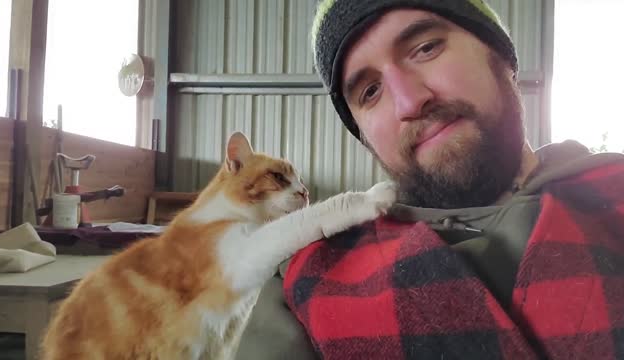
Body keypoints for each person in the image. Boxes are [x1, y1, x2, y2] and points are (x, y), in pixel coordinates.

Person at [237, 0, 624, 359]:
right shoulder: (300, 285)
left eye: (425, 48)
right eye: (370, 91)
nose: (409, 102)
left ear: (501, 55)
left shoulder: (614, 193)